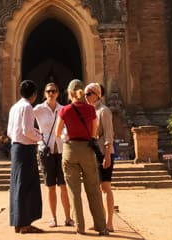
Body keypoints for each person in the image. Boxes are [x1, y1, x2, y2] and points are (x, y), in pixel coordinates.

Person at [56, 79, 108, 236]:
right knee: (93, 189)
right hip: (87, 149)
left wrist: (67, 136)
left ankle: (80, 227)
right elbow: (94, 133)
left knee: (74, 191)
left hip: (70, 150)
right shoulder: (90, 109)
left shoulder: (65, 110)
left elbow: (58, 133)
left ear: (70, 93)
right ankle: (101, 227)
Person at [32, 82, 73, 228]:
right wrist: (39, 138)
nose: (51, 93)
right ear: (45, 93)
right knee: (50, 186)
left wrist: (65, 135)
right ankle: (54, 218)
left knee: (63, 185)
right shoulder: (38, 109)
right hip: (46, 151)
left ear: (58, 93)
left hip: (61, 150)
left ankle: (68, 218)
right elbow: (28, 125)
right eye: (49, 91)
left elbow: (67, 127)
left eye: (54, 91)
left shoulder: (63, 109)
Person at [7, 80, 44, 234]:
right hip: (25, 150)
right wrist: (40, 137)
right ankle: (25, 224)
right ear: (34, 94)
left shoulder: (14, 107)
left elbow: (10, 132)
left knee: (17, 185)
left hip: (16, 148)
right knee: (27, 185)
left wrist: (31, 134)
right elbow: (27, 131)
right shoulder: (27, 107)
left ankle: (18, 222)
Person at [85, 83, 116, 224]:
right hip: (94, 153)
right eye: (85, 94)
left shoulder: (104, 111)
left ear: (97, 95)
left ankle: (109, 222)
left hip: (104, 153)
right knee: (97, 188)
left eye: (89, 94)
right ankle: (101, 221)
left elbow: (109, 135)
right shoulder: (90, 111)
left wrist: (108, 155)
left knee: (106, 187)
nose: (86, 97)